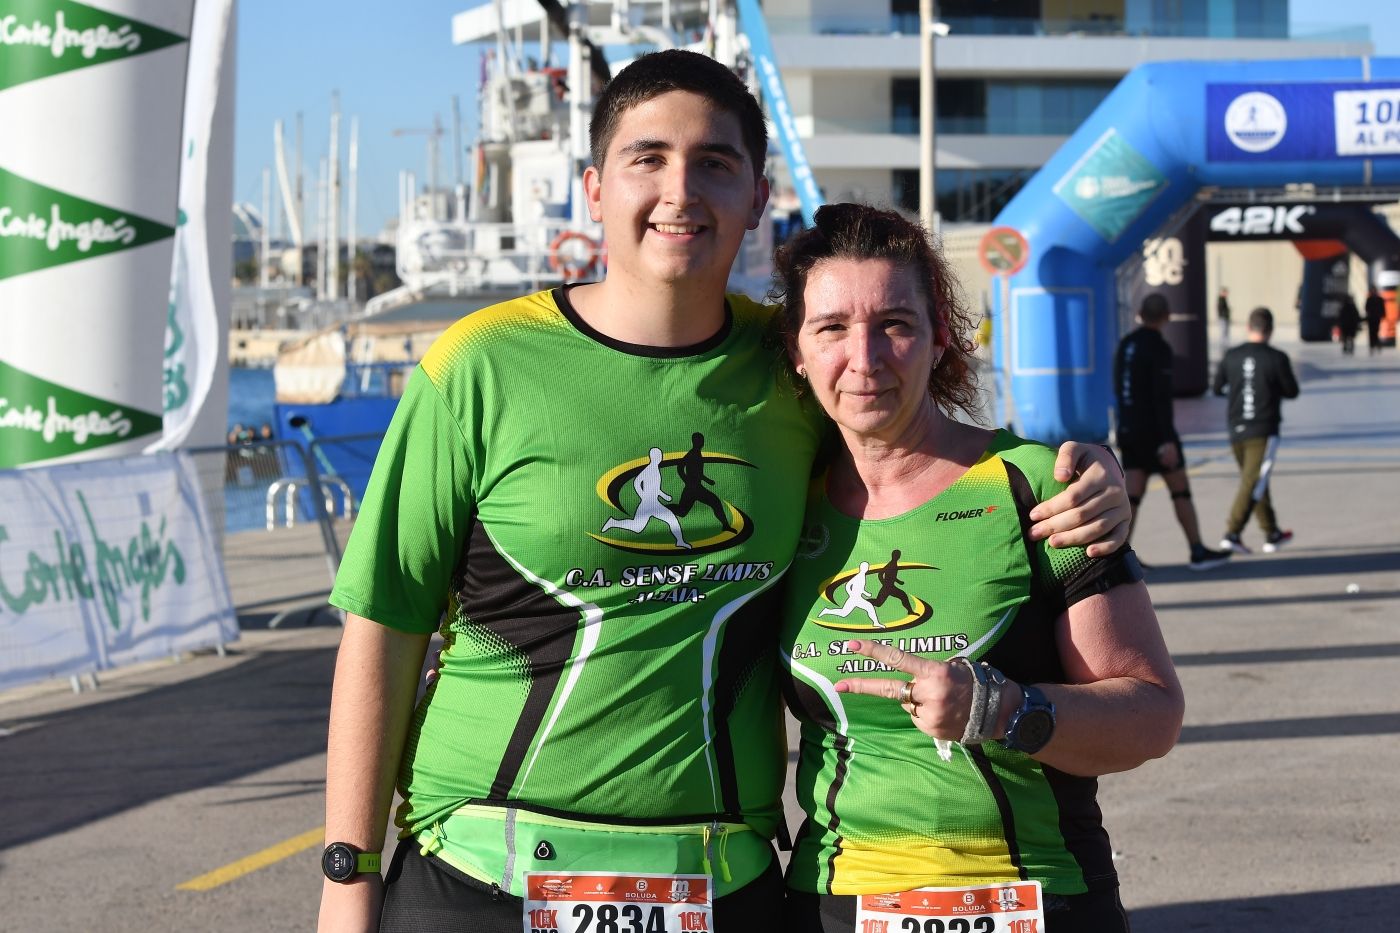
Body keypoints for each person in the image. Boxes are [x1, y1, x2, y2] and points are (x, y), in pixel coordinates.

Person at [318, 51, 1130, 933]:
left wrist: (1086, 474)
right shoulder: (478, 364)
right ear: (593, 189)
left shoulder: (798, 367)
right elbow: (385, 623)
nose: (680, 190)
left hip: (719, 880)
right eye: (648, 158)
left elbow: (923, 450)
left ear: (756, 196)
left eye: (714, 162)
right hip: (482, 872)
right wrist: (348, 873)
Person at [772, 203, 1182, 933]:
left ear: (938, 340)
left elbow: (1150, 713)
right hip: (832, 901)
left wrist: (1004, 710)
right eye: (832, 328)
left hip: (1029, 896)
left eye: (895, 324)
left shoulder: (1037, 486)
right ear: (797, 351)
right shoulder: (779, 504)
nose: (864, 359)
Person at [1113, 293, 1231, 570]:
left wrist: (1124, 427)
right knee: (1181, 491)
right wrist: (1167, 439)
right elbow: (1161, 396)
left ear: (1140, 313)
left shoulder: (1126, 345)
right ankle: (1197, 551)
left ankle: (1119, 559)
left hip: (1129, 429)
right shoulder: (1160, 347)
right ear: (1166, 317)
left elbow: (1119, 390)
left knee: (1132, 497)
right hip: (1155, 433)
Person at [1213, 307, 1300, 555]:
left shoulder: (1231, 355)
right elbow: (1292, 391)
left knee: (1256, 480)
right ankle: (1232, 533)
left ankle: (1272, 532)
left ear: (1248, 327)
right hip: (1263, 429)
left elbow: (1218, 388)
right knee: (1253, 482)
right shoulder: (1276, 358)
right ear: (1270, 330)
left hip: (1236, 428)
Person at [1364, 285, 1386, 355]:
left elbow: (1383, 308)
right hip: (1371, 318)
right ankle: (1372, 346)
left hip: (1377, 318)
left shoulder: (1379, 299)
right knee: (1371, 332)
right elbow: (1366, 308)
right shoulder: (1369, 299)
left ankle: (1377, 344)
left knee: (1376, 331)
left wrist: (1382, 315)